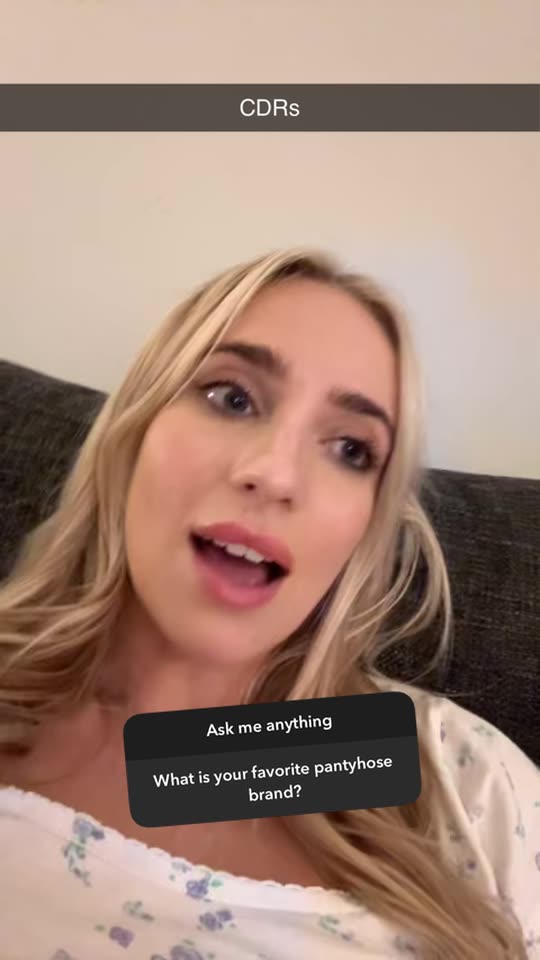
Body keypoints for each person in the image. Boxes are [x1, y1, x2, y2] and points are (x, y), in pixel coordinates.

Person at [0, 248, 537, 960]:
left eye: (351, 449)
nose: (276, 475)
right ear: (135, 427)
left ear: (368, 527)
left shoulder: (463, 781)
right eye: (232, 398)